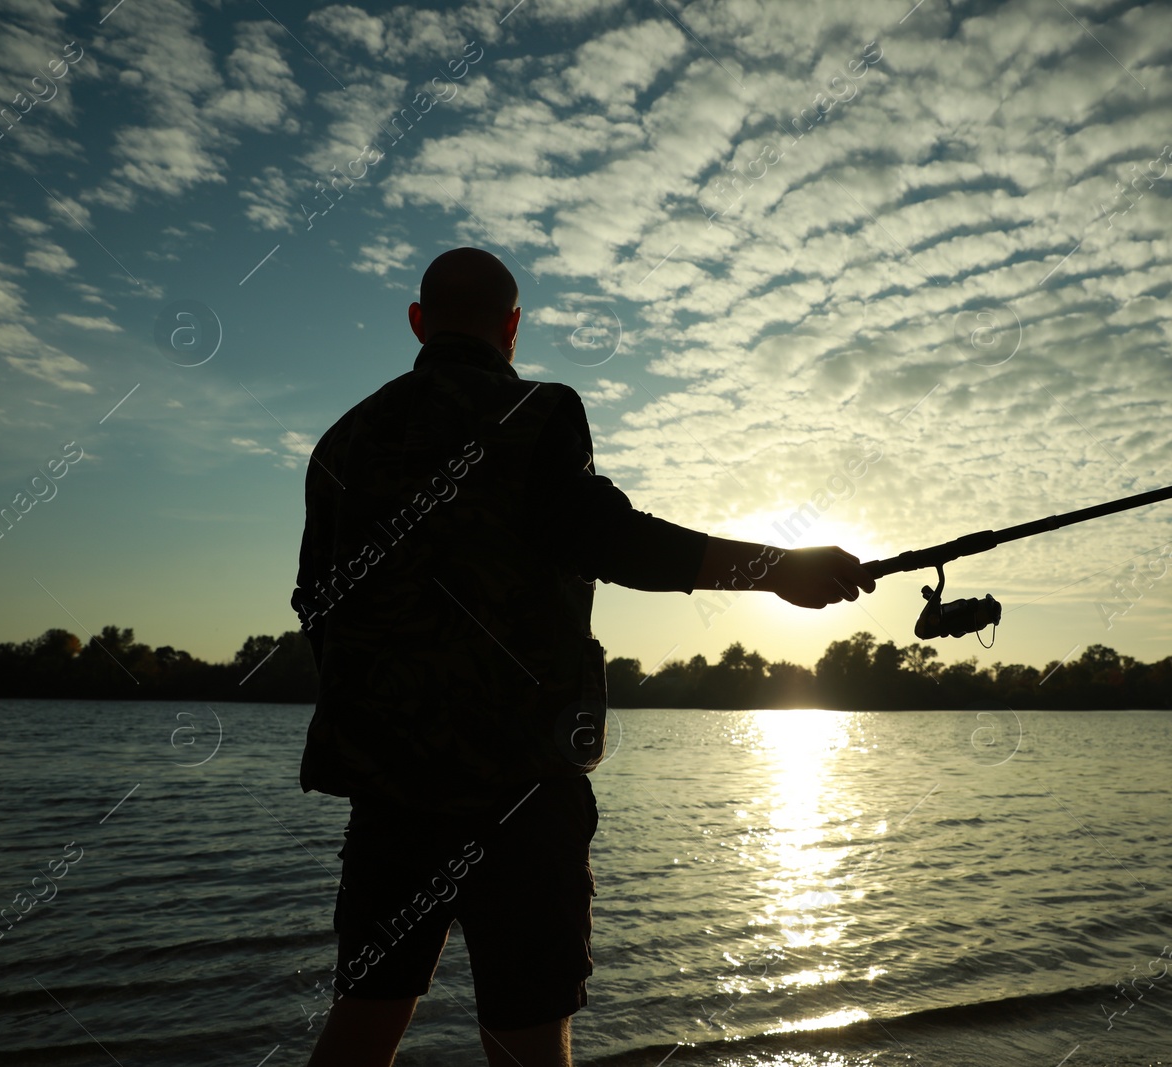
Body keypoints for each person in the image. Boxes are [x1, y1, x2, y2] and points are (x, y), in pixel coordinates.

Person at [292, 246, 876, 1067]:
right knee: (530, 1040)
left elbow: (317, 602)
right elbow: (614, 540)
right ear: (513, 327)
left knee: (360, 1029)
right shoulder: (537, 413)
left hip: (389, 792)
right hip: (521, 791)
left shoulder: (341, 441)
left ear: (419, 323)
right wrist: (778, 568)